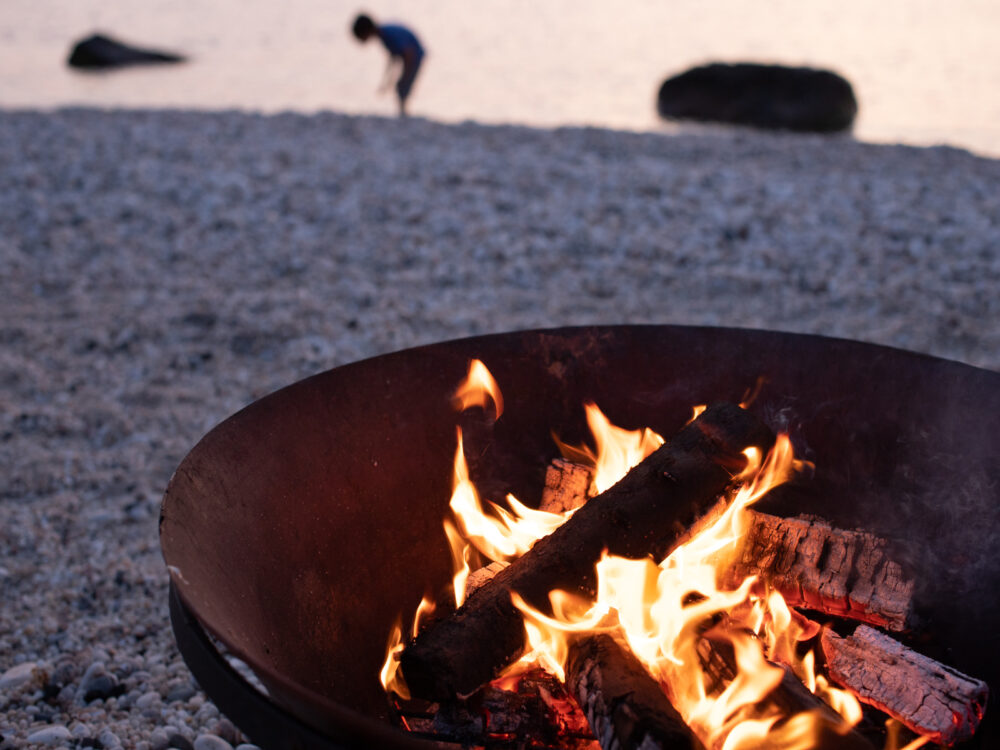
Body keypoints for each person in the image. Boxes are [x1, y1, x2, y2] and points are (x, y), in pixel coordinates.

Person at [352, 13, 425, 117]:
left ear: (366, 31)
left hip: (415, 56)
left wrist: (405, 74)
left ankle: (403, 113)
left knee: (402, 86)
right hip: (411, 56)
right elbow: (393, 59)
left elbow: (409, 52)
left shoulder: (387, 34)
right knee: (400, 86)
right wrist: (386, 82)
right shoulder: (383, 35)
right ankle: (402, 112)